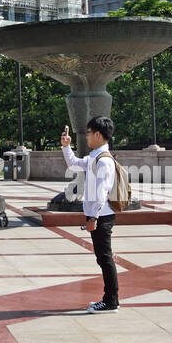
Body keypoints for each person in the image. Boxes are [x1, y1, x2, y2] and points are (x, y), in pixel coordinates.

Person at [61, 117, 119, 313]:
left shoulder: (103, 161)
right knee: (103, 258)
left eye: (88, 133)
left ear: (97, 134)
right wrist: (66, 147)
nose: (86, 136)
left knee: (105, 258)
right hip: (98, 215)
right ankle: (109, 299)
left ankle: (111, 302)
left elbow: (102, 191)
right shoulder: (95, 156)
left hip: (102, 216)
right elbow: (74, 164)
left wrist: (93, 218)